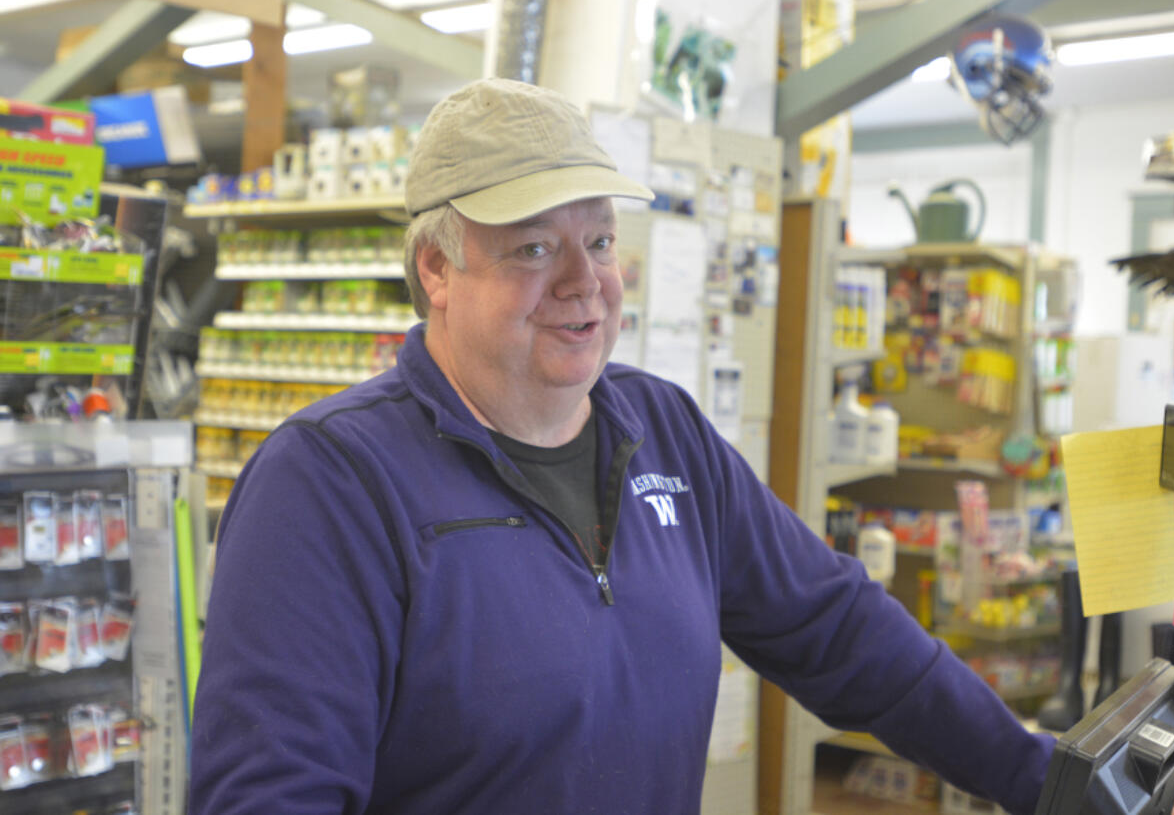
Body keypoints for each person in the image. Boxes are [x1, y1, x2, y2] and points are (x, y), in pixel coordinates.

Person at [188, 78, 1054, 815]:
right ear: (435, 271)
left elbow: (843, 632)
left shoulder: (663, 432)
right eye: (532, 248)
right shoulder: (328, 484)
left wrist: (1044, 779)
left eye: (599, 241)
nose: (584, 283)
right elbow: (271, 795)